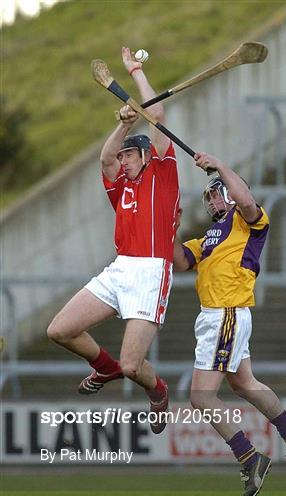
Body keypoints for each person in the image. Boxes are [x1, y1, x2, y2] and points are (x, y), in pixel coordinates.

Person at [47, 47, 180, 434]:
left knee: (132, 367)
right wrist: (122, 125)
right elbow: (104, 160)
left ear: (145, 156)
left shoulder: (163, 175)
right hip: (120, 269)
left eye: (128, 155)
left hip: (151, 272)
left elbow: (156, 117)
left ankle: (157, 390)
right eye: (122, 156)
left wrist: (136, 72)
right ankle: (102, 367)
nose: (121, 161)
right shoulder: (120, 188)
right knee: (59, 331)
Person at [173, 151, 286, 496]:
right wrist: (167, 226)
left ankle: (249, 457)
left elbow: (248, 201)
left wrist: (221, 164)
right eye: (208, 196)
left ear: (233, 190)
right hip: (218, 316)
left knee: (201, 396)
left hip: (226, 313)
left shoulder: (250, 220)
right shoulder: (209, 237)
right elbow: (179, 260)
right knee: (244, 383)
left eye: (216, 192)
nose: (211, 200)